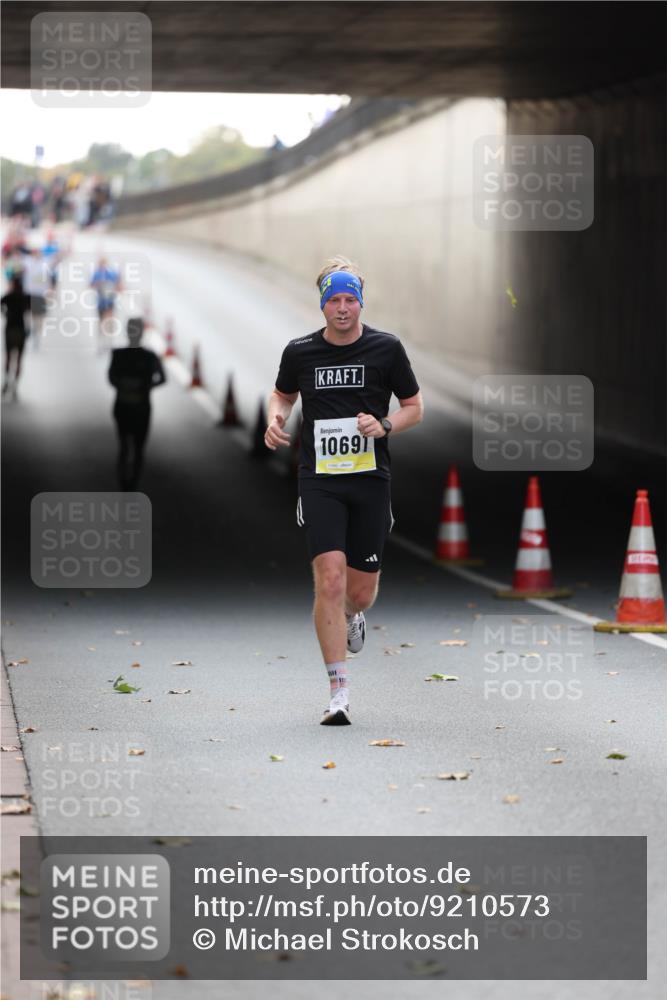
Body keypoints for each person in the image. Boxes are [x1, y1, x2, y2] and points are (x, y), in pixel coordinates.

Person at [265, 256, 424, 725]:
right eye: (333, 300)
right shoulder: (300, 352)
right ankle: (339, 690)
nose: (341, 308)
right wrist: (276, 418)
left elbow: (415, 407)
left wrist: (386, 423)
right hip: (319, 481)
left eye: (349, 300)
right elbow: (283, 395)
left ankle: (354, 615)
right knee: (329, 580)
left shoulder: (386, 349)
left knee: (360, 591)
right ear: (322, 304)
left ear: (360, 303)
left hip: (371, 480)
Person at [108, 317, 166, 490]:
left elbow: (111, 378)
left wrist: (123, 386)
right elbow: (162, 378)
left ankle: (124, 481)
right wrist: (146, 387)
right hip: (141, 407)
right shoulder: (149, 357)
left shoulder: (119, 355)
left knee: (124, 445)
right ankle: (132, 481)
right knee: (138, 447)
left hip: (123, 405)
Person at [2, 275, 32, 398]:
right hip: (20, 329)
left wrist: (6, 313)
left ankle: (6, 382)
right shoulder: (26, 297)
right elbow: (30, 311)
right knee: (19, 358)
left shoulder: (8, 297)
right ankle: (15, 385)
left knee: (9, 357)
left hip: (10, 328)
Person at [91, 256, 122, 348]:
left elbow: (118, 284)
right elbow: (91, 284)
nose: (102, 266)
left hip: (110, 301)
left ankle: (109, 337)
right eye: (101, 264)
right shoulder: (96, 274)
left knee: (109, 318)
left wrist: (116, 286)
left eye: (104, 264)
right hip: (100, 302)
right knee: (101, 321)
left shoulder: (111, 274)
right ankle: (101, 338)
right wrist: (98, 284)